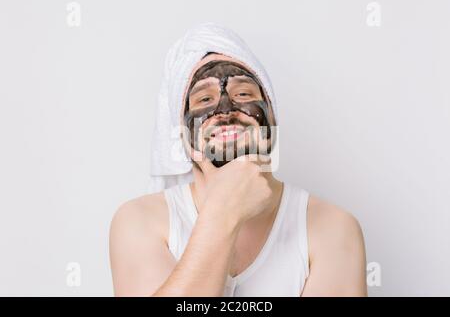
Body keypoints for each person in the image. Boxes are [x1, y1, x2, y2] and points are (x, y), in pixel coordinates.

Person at [109, 23, 367, 297]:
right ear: (181, 137)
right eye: (204, 99)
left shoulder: (332, 228)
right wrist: (223, 212)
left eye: (243, 94)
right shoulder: (139, 222)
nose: (224, 109)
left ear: (272, 117)